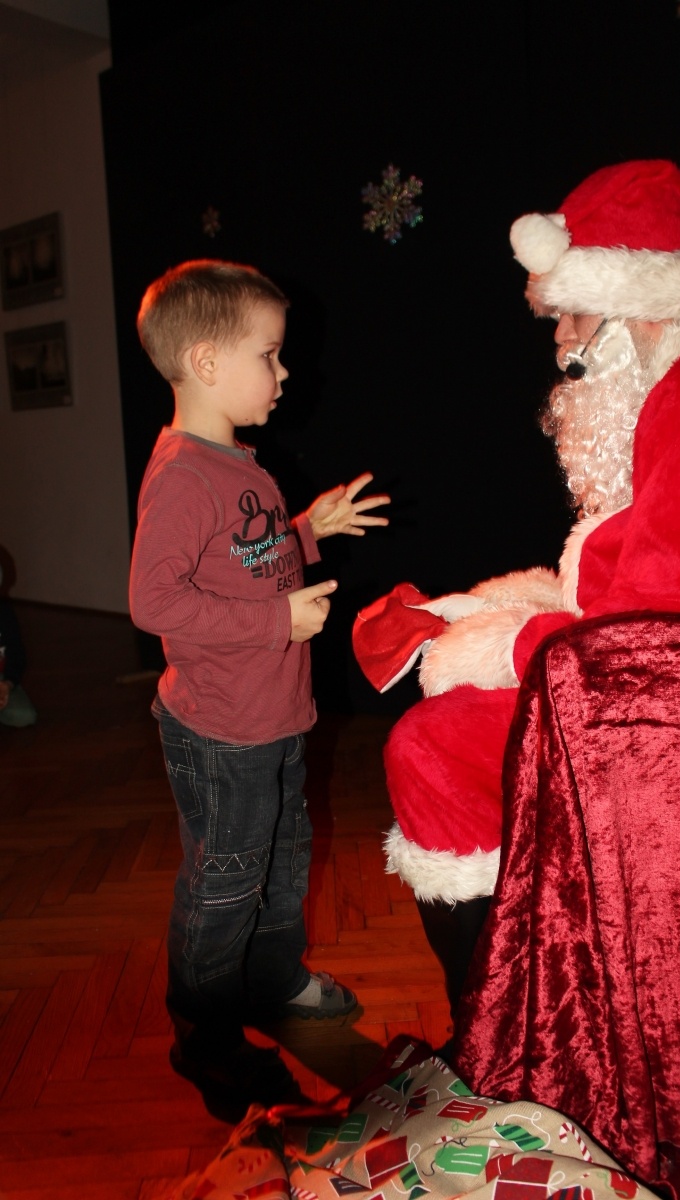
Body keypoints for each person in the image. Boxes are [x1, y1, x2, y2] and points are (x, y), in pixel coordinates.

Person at [355, 159, 680, 1015]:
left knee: (432, 746)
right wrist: (490, 609)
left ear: (634, 305)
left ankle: (508, 1024)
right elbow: (644, 569)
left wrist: (492, 649)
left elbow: (651, 641)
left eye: (569, 315)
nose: (559, 342)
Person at [129, 259, 389, 1114]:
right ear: (207, 363)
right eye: (270, 356)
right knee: (224, 883)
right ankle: (203, 1039)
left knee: (282, 864)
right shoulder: (181, 476)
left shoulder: (235, 461)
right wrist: (276, 625)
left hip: (272, 715)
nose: (284, 374)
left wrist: (309, 529)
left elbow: (247, 561)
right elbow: (153, 599)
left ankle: (272, 984)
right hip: (221, 732)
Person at [0, 546, 37, 730]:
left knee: (25, 716)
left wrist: (7, 684)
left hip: (1, 680)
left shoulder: (5, 613)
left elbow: (17, 654)